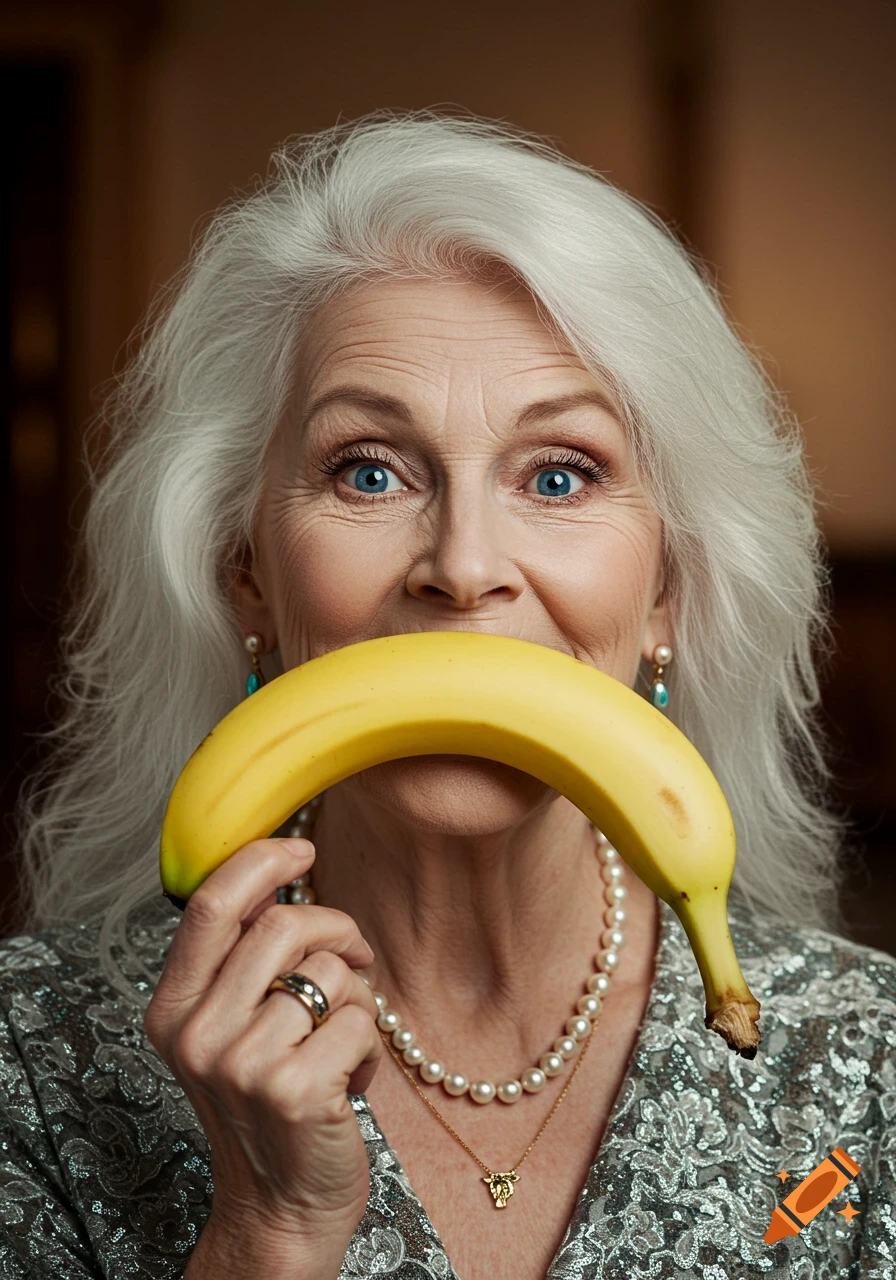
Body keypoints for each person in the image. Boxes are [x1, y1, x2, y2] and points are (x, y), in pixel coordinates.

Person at [1, 108, 894, 1280]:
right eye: (367, 470)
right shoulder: (29, 1059)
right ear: (246, 572)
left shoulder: (866, 1067)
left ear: (669, 585)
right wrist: (261, 1237)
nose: (464, 566)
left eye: (559, 474)